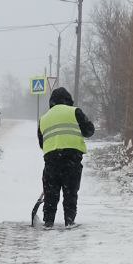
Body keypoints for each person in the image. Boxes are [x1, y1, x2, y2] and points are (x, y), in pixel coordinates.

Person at [36, 86, 95, 228]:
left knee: (51, 192)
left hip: (51, 160)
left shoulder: (43, 118)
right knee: (70, 191)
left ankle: (48, 221)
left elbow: (41, 142)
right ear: (68, 100)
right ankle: (69, 221)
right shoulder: (75, 112)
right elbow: (89, 131)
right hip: (71, 159)